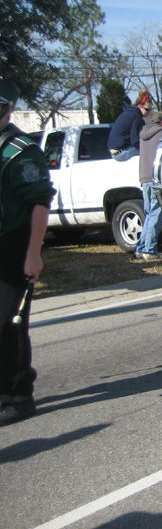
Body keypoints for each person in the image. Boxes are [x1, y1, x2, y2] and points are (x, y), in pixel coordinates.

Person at [0, 79, 55, 426]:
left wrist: (33, 254)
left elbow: (39, 202)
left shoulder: (20, 151)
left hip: (13, 244)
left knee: (7, 324)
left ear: (8, 109)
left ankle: (18, 395)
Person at [135, 110, 162, 261]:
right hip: (156, 177)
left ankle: (141, 248)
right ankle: (150, 250)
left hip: (144, 178)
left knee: (149, 214)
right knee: (157, 213)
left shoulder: (143, 135)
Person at [108, 88, 152, 161]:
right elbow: (135, 141)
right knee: (152, 151)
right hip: (122, 153)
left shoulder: (128, 113)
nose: (149, 112)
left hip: (115, 152)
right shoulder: (136, 117)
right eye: (147, 109)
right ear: (139, 106)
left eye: (151, 109)